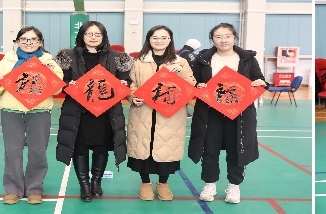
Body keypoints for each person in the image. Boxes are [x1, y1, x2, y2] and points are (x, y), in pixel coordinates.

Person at [188, 24, 267, 205]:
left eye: (227, 36)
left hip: (239, 114)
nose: (223, 40)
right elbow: (194, 82)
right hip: (210, 113)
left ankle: (234, 186)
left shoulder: (247, 59)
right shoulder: (203, 59)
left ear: (234, 38)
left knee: (237, 149)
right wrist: (198, 86)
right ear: (212, 39)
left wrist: (260, 83)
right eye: (218, 37)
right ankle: (209, 184)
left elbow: (260, 79)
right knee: (209, 149)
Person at [55, 21, 131, 202]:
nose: (93, 37)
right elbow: (60, 80)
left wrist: (124, 83)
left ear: (103, 37)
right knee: (79, 147)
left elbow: (125, 79)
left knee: (101, 147)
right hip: (78, 111)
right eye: (89, 33)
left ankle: (96, 182)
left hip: (106, 112)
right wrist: (68, 84)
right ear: (82, 35)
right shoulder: (67, 56)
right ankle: (84, 185)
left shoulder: (117, 57)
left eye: (97, 34)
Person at [0, 27, 65, 205]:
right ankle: (13, 189)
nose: (28, 42)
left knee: (38, 151)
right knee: (12, 152)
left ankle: (34, 188)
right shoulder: (6, 62)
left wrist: (50, 72)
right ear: (17, 42)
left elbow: (58, 89)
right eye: (23, 39)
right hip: (11, 111)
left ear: (40, 42)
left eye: (33, 39)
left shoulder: (49, 62)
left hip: (39, 111)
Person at [125, 26, 196, 201]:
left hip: (170, 116)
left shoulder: (180, 62)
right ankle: (145, 183)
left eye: (164, 37)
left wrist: (181, 73)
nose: (159, 41)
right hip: (143, 113)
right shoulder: (138, 61)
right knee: (143, 149)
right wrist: (132, 97)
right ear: (149, 40)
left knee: (167, 150)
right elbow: (131, 84)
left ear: (170, 40)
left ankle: (163, 183)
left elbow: (191, 84)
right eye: (155, 38)